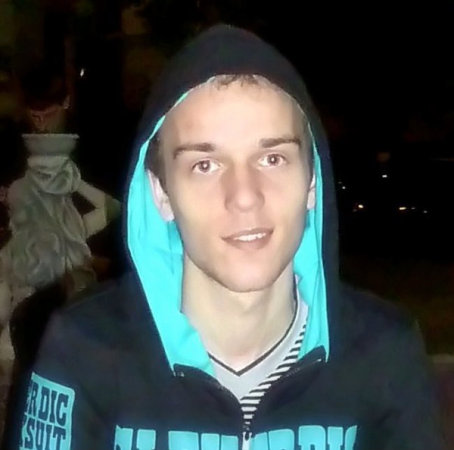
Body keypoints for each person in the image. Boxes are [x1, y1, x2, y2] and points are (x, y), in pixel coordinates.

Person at [8, 25, 444, 450]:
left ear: (312, 181)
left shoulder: (385, 354)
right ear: (161, 193)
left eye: (272, 158)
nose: (244, 197)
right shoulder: (84, 351)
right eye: (205, 165)